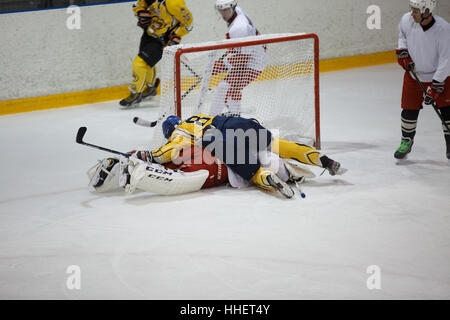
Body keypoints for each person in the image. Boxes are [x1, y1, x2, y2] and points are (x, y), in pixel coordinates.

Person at [114, 113, 346, 198]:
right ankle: (323, 160)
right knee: (280, 145)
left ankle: (267, 179)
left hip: (217, 137)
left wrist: (146, 155)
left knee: (249, 169)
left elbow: (167, 152)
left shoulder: (179, 132)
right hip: (236, 122)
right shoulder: (197, 117)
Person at [395, 0, 450, 159]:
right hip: (414, 76)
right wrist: (402, 51)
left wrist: (437, 83)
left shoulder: (443, 29)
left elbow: (447, 60)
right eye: (412, 9)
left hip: (440, 76)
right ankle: (406, 141)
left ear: (427, 10)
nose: (412, 13)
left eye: (416, 10)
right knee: (408, 110)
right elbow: (402, 36)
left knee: (447, 111)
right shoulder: (407, 19)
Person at [119, 0, 194, 108]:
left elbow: (189, 23)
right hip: (149, 33)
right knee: (147, 64)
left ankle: (135, 93)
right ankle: (150, 88)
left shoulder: (174, 3)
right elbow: (137, 5)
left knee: (139, 64)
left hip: (162, 39)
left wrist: (177, 36)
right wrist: (140, 12)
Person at [209, 0, 267, 116]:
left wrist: (222, 65)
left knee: (224, 89)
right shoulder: (237, 12)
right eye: (221, 10)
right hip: (254, 53)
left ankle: (215, 119)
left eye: (225, 10)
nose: (223, 13)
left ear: (232, 8)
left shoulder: (239, 27)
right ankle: (234, 116)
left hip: (254, 62)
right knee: (228, 88)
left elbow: (244, 58)